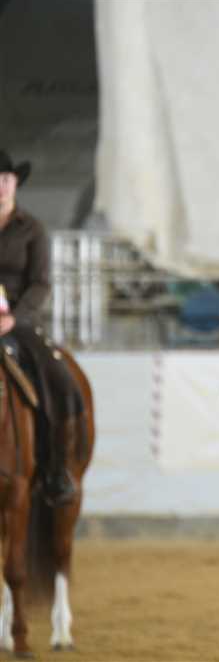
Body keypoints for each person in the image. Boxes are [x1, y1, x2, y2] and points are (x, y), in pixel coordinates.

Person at [0, 150, 82, 505]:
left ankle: (55, 467)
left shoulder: (31, 229)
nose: (0, 186)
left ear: (15, 183)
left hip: (19, 322)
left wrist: (14, 317)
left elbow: (41, 283)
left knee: (58, 378)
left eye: (5, 179)